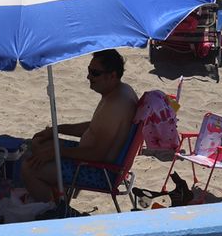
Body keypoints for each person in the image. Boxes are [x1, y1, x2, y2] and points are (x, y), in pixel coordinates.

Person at [23, 49, 139, 202]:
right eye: (89, 71)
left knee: (29, 168)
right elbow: (95, 128)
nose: (89, 77)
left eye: (95, 73)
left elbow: (98, 154)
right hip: (91, 161)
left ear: (112, 75)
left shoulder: (117, 105)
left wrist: (56, 153)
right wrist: (56, 130)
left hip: (98, 171)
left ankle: (52, 213)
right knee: (37, 143)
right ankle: (54, 194)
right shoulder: (119, 92)